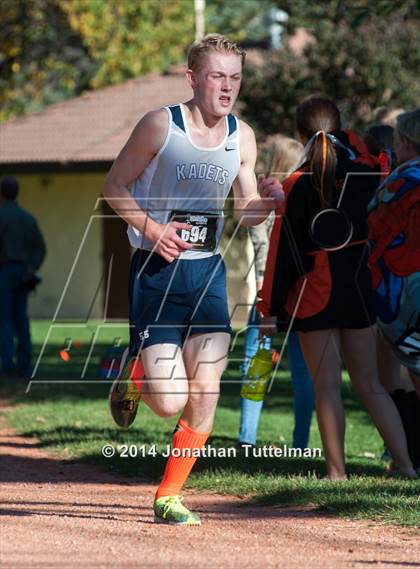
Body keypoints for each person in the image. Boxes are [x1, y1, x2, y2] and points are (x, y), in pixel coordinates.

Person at [102, 34, 284, 525]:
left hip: (206, 274)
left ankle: (169, 495)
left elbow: (246, 213)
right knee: (169, 402)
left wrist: (266, 202)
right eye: (218, 76)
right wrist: (154, 229)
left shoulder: (241, 135)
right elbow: (114, 186)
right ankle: (136, 372)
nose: (228, 87)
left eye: (236, 78)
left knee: (206, 390)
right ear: (193, 78)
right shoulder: (160, 125)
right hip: (155, 272)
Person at [258, 95, 417, 480]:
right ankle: (408, 467)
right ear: (341, 126)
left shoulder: (298, 183)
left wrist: (272, 310)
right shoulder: (368, 170)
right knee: (371, 384)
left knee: (326, 386)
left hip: (316, 292)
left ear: (301, 134)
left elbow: (285, 253)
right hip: (359, 288)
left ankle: (336, 472)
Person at [238, 135, 314, 450]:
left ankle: (247, 437)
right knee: (304, 370)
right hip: (299, 292)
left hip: (267, 292)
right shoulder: (304, 201)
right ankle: (300, 443)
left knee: (256, 364)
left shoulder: (262, 203)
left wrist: (261, 288)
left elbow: (260, 246)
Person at [368, 108, 420, 471]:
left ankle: (409, 455)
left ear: (402, 142)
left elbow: (375, 230)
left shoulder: (400, 182)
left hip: (405, 292)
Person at [0, 176, 46, 378]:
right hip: (24, 273)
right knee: (21, 318)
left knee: (4, 318)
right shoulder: (28, 218)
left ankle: (6, 363)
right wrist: (31, 268)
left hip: (3, 272)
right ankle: (25, 365)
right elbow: (41, 248)